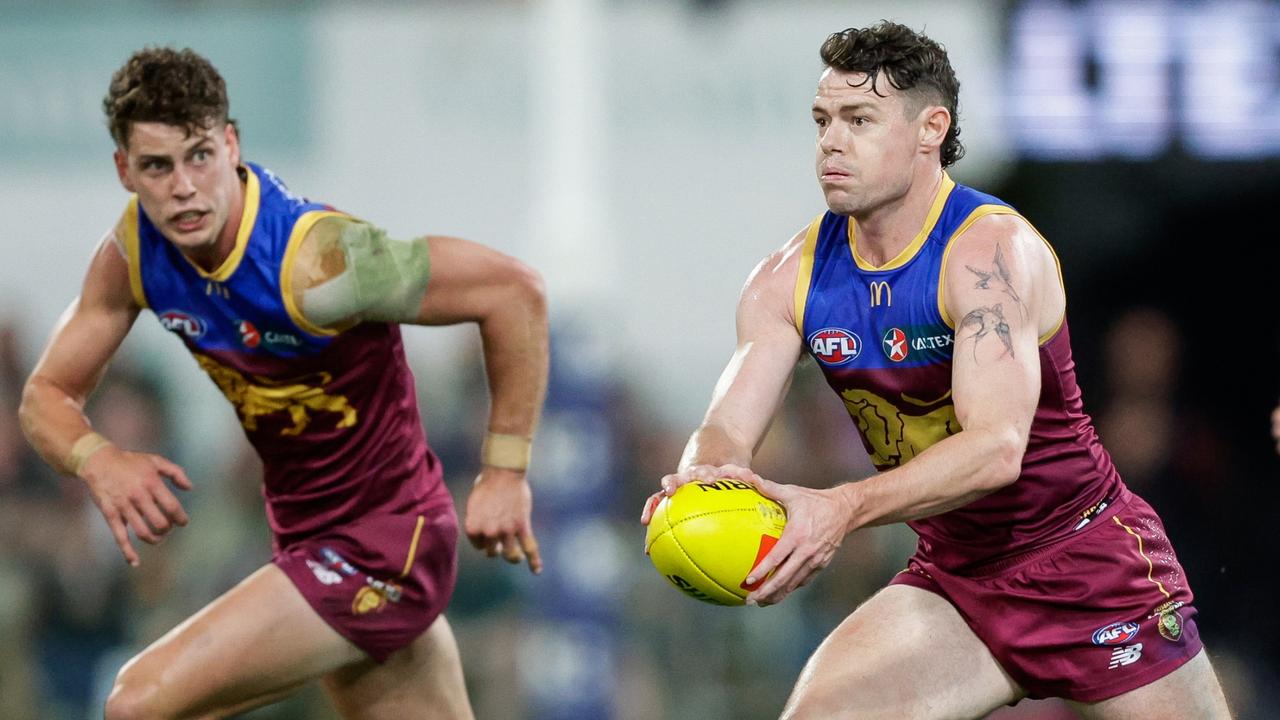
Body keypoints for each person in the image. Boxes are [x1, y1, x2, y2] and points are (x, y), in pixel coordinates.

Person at [641, 22, 1232, 719]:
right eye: (822, 120)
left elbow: (996, 450)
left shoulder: (989, 253)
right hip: (957, 580)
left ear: (931, 128)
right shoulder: (786, 279)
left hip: (1086, 561)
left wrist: (840, 509)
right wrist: (706, 477)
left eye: (860, 120)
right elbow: (725, 427)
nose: (832, 140)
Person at [19, 47, 548, 719]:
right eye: (158, 166)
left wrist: (504, 472)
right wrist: (96, 460)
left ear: (231, 144)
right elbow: (44, 396)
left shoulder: (319, 264)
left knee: (137, 706)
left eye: (200, 156)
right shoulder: (134, 255)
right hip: (307, 535)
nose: (184, 186)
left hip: (387, 546)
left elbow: (513, 292)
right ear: (126, 171)